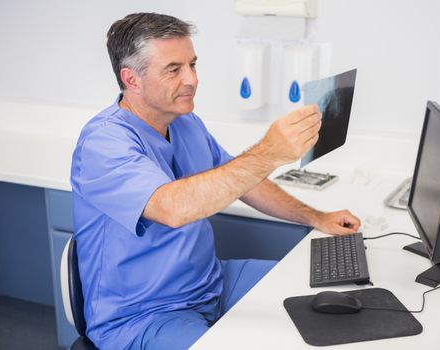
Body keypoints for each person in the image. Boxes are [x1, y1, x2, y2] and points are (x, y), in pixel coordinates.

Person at [71, 12, 361, 350]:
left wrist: (316, 217)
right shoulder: (102, 144)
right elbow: (172, 208)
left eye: (192, 64)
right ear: (131, 79)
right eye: (173, 69)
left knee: (315, 290)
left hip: (213, 283)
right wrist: (270, 152)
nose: (192, 79)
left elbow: (243, 179)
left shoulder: (185, 122)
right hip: (144, 315)